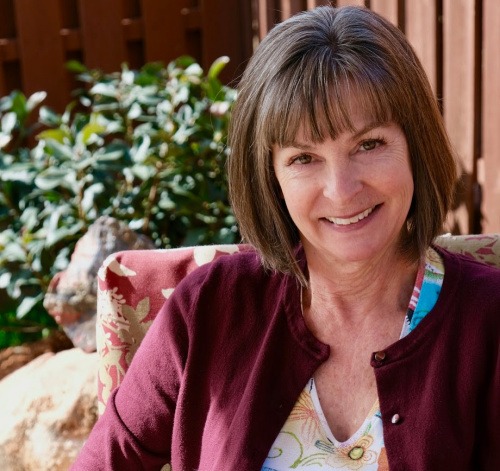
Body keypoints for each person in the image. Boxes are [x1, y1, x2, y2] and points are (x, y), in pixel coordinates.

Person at [72, 5, 499, 470]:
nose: (341, 190)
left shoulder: (489, 320)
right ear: (270, 176)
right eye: (304, 158)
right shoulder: (208, 308)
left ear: (416, 147)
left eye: (369, 144)